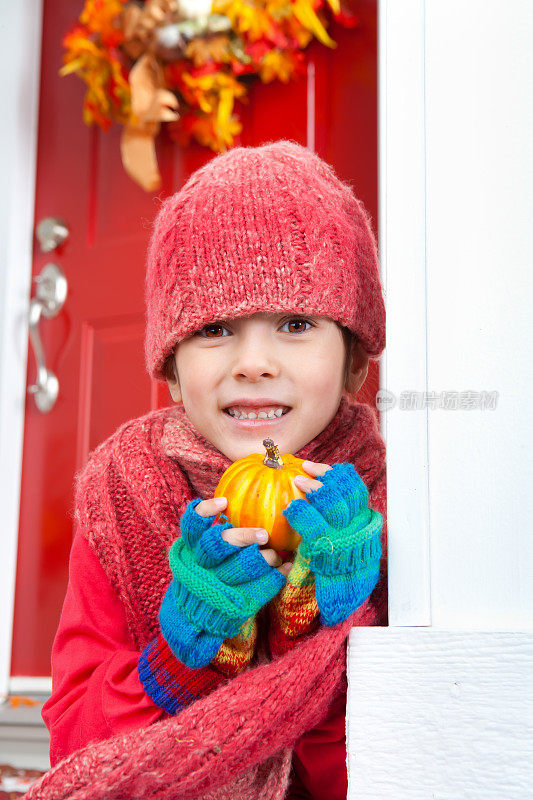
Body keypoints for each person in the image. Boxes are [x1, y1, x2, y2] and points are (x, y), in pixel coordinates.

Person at [36, 139, 387, 800]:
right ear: (170, 369)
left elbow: (392, 768)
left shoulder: (382, 502)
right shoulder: (124, 495)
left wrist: (324, 641)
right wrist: (171, 664)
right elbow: (76, 752)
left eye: (295, 322)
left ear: (354, 364)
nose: (252, 362)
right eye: (215, 330)